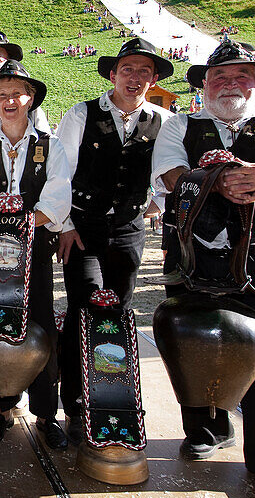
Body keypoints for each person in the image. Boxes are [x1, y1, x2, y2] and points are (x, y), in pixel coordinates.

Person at [153, 40, 255, 498]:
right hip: (193, 251)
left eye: (240, 76)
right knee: (193, 343)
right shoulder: (179, 125)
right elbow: (168, 173)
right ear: (204, 84)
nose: (230, 85)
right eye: (219, 77)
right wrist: (217, 179)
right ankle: (207, 430)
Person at [56, 38, 173, 445]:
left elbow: (167, 174)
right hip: (83, 228)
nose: (135, 78)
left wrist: (152, 206)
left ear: (153, 78)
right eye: (128, 70)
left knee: (119, 312)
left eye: (144, 71)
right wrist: (65, 224)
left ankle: (112, 402)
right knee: (83, 307)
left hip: (128, 228)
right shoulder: (80, 114)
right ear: (112, 74)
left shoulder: (163, 120)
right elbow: (61, 174)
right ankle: (74, 405)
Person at [0, 60, 70, 447]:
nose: (10, 100)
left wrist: (23, 224)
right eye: (1, 94)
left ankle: (45, 414)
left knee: (39, 326)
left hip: (32, 253)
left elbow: (57, 198)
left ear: (31, 98)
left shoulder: (50, 145)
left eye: (17, 93)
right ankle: (0, 407)